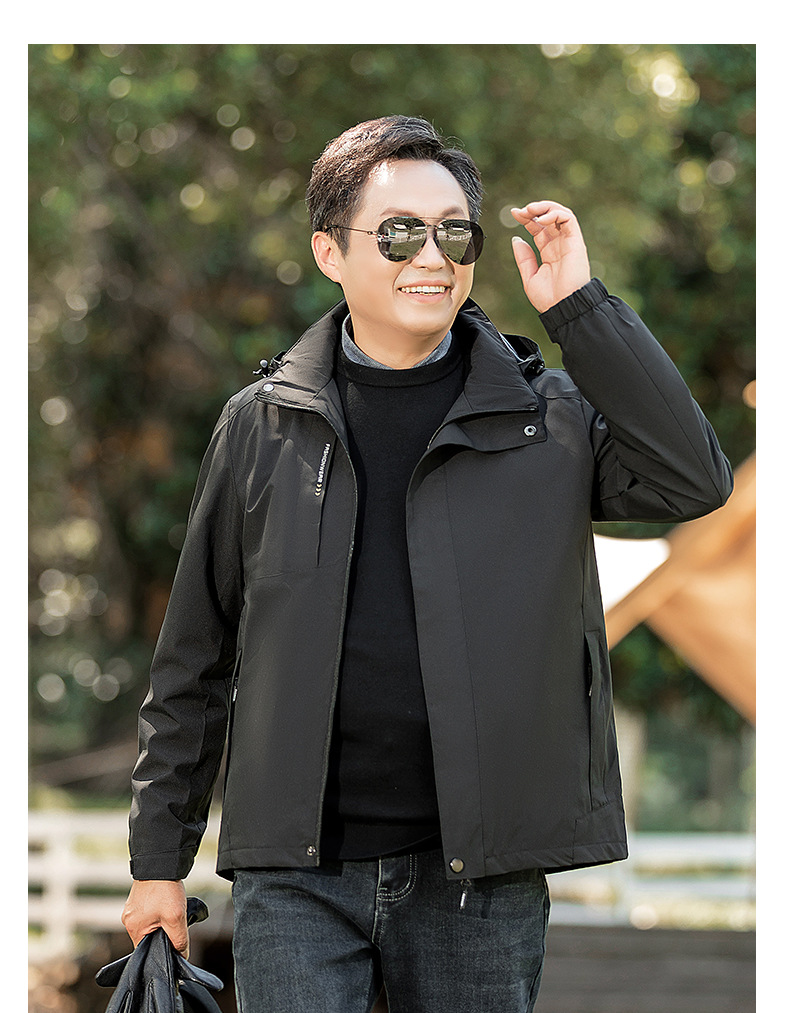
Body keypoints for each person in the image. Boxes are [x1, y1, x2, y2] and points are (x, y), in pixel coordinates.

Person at [121, 115, 732, 1012]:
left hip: (479, 881)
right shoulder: (261, 426)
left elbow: (692, 477)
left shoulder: (546, 418)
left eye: (455, 232)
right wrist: (156, 863)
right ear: (330, 251)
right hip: (296, 879)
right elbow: (193, 660)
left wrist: (579, 307)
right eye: (400, 232)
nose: (433, 256)